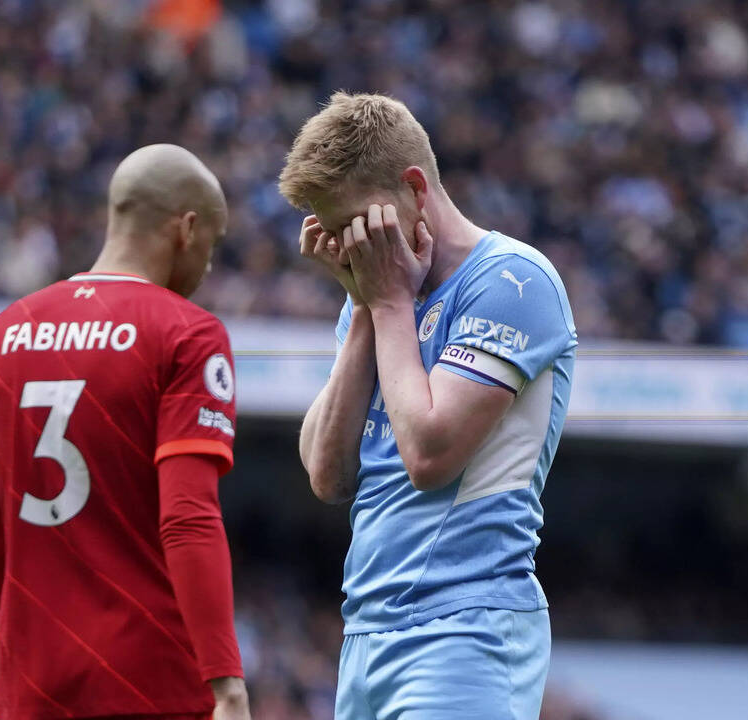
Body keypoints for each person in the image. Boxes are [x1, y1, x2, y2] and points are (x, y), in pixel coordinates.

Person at [281, 93, 578, 719]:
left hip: (465, 629)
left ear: (416, 188)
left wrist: (386, 302)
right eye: (332, 231)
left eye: (357, 222)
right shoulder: (380, 291)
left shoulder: (513, 282)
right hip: (364, 632)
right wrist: (364, 306)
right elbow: (327, 475)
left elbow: (428, 454)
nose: (348, 245)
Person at [0, 144, 249, 720]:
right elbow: (188, 518)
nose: (209, 266)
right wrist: (226, 682)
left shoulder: (6, 333)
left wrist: (29, 646)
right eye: (213, 247)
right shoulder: (186, 334)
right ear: (186, 227)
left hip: (31, 685)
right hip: (151, 683)